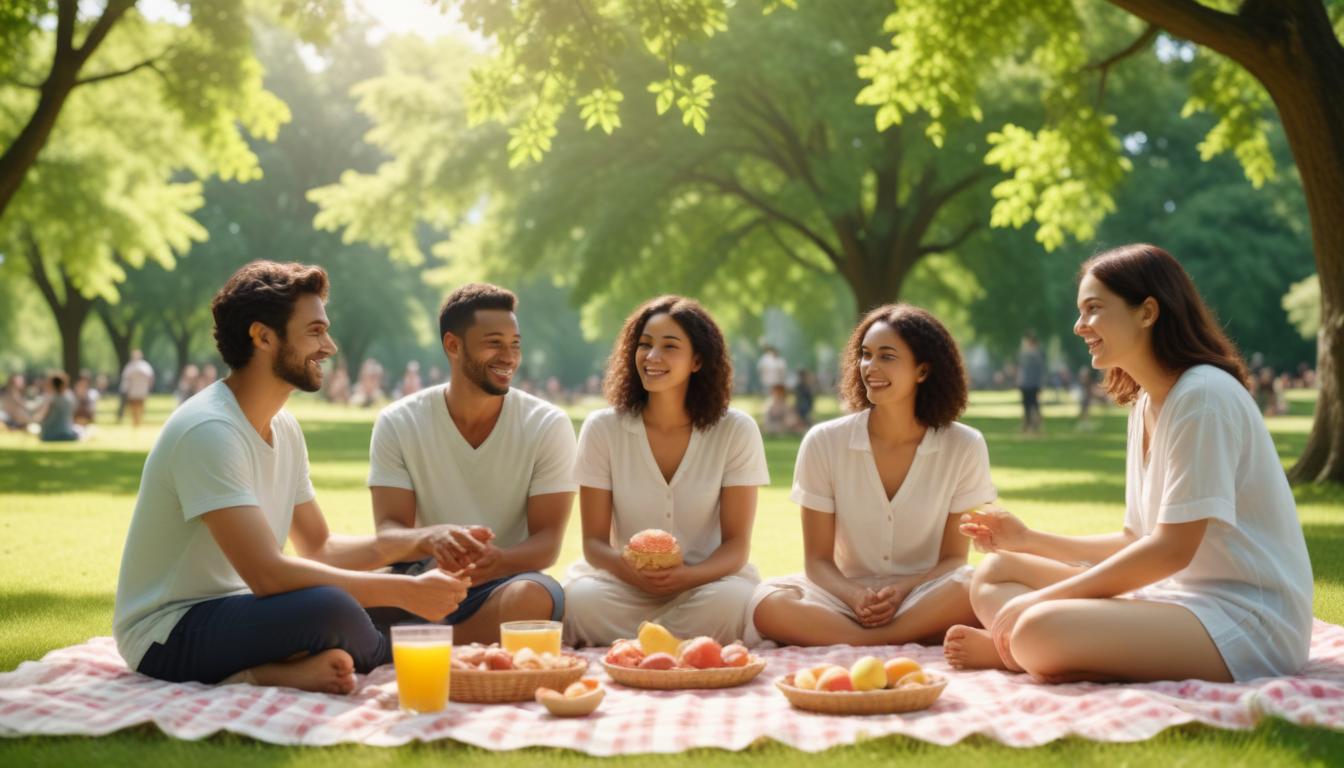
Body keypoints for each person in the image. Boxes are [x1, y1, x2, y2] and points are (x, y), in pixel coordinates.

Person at [944, 244, 1313, 684]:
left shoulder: (1203, 398)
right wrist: (1027, 539)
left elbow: (1171, 550)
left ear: (1147, 312)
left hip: (1246, 620)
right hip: (1175, 600)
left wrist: (1042, 601)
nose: (1080, 326)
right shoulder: (1144, 404)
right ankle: (1027, 647)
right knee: (995, 574)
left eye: (1093, 309)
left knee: (1036, 628)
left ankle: (1016, 651)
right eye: (1080, 312)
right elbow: (1135, 538)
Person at [113, 261, 468, 694]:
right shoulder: (209, 430)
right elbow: (268, 574)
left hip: (243, 610)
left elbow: (320, 547)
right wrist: (405, 594)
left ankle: (286, 666)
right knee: (332, 607)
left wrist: (423, 540)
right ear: (263, 337)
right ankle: (386, 649)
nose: (330, 346)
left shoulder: (284, 427)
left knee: (411, 572)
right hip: (167, 634)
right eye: (315, 331)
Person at [748, 305, 995, 646]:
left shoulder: (965, 446)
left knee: (972, 585)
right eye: (865, 355)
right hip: (842, 597)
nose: (870, 367)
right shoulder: (823, 442)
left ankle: (867, 639)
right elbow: (817, 562)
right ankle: (896, 637)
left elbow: (954, 560)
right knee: (766, 602)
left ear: (922, 370)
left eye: (887, 356)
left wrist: (902, 590)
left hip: (925, 593)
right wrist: (854, 595)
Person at [366, 283, 576, 644]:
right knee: (341, 599)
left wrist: (497, 561)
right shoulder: (399, 421)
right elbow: (389, 531)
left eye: (515, 344)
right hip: (423, 577)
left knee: (536, 598)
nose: (508, 356)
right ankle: (430, 641)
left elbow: (547, 543)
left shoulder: (547, 424)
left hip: (505, 582)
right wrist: (434, 544)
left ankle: (412, 647)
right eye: (494, 342)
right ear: (453, 345)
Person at [564, 296, 769, 645]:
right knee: (579, 602)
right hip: (623, 586)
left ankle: (643, 642)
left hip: (706, 586)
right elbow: (594, 544)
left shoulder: (736, 430)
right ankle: (674, 643)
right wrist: (631, 572)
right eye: (644, 345)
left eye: (669, 346)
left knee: (735, 603)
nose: (652, 357)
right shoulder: (603, 428)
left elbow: (736, 546)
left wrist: (687, 577)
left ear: (697, 361)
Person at [35, 372, 81, 442]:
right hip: (66, 433)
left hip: (48, 435)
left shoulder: (51, 399)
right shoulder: (69, 397)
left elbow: (42, 416)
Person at [1017, 332, 1044, 434]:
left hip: (1032, 384)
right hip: (1027, 384)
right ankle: (1029, 426)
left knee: (1033, 406)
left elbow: (1038, 371)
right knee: (1028, 406)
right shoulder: (1027, 354)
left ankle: (1034, 426)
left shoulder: (1033, 355)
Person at [120, 351, 155, 427]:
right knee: (134, 408)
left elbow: (150, 378)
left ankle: (138, 422)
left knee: (140, 407)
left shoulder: (144, 366)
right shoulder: (130, 366)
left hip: (141, 391)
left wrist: (149, 387)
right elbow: (126, 379)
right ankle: (135, 422)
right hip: (133, 391)